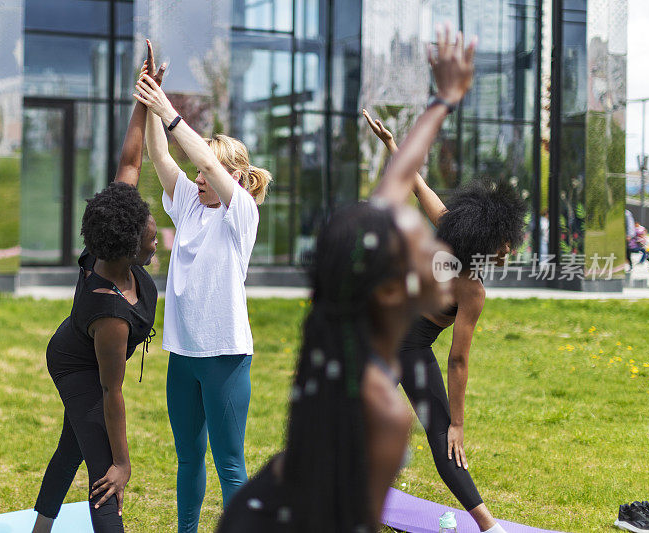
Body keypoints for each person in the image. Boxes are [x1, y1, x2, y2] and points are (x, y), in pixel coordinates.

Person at [217, 23, 474, 533]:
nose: (432, 248)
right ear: (389, 289)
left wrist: (443, 101)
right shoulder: (382, 411)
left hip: (251, 512)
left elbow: (393, 191)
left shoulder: (338, 322)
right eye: (416, 248)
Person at [364, 80, 526, 533]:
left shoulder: (449, 230)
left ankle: (488, 526)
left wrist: (393, 144)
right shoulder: (471, 288)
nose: (508, 251)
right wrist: (456, 423)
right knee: (438, 438)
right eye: (504, 244)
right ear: (485, 241)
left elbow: (416, 182)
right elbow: (457, 361)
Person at [31, 42, 165, 533]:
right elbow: (112, 392)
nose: (157, 235)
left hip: (83, 351)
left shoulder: (112, 237)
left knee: (73, 444)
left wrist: (144, 96)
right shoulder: (108, 312)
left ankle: (39, 529)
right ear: (128, 246)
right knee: (104, 469)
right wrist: (126, 464)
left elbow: (129, 163)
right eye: (151, 235)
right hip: (75, 363)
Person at [134, 60, 272, 533]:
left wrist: (170, 112)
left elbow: (210, 163)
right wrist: (154, 96)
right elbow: (158, 154)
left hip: (226, 357)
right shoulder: (190, 204)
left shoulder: (241, 215)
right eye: (194, 172)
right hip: (184, 356)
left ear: (232, 176)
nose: (197, 176)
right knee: (188, 459)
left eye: (205, 172)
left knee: (229, 464)